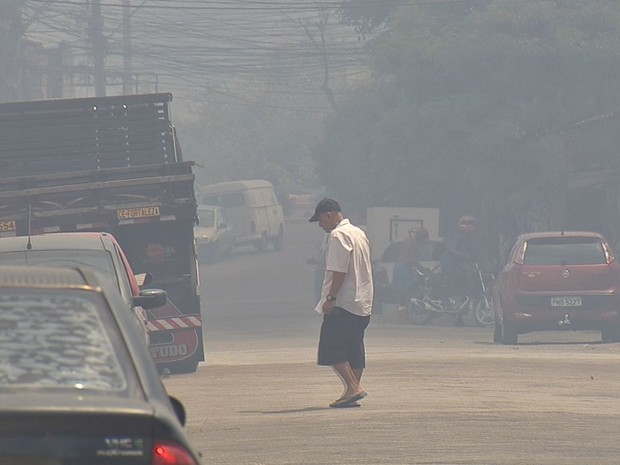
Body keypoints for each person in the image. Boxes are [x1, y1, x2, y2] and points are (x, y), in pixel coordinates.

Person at [309, 198, 373, 408]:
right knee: (354, 348)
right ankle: (351, 391)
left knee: (332, 347)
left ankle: (353, 387)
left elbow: (339, 271)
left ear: (328, 215)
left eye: (320, 220)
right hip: (362, 301)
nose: (320, 226)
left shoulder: (338, 235)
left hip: (343, 303)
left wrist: (330, 298)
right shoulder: (358, 232)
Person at [439, 215, 479, 324]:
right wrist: (462, 255)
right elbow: (450, 248)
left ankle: (459, 317)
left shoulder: (467, 239)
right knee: (459, 282)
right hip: (448, 264)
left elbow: (471, 253)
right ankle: (447, 298)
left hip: (457, 265)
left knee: (465, 287)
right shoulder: (459, 236)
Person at [392, 226, 429, 308]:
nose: (423, 241)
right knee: (406, 290)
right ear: (420, 236)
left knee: (400, 290)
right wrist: (421, 268)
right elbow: (411, 259)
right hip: (404, 268)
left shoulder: (407, 239)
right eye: (423, 239)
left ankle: (400, 309)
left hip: (398, 266)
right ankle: (406, 310)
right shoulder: (413, 243)